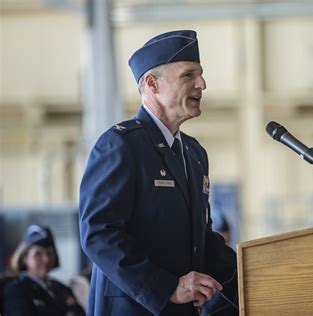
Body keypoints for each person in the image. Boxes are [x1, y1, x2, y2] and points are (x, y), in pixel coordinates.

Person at [79, 30, 238, 315]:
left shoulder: (194, 153)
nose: (201, 84)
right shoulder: (121, 145)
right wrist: (166, 288)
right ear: (152, 84)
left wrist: (256, 277)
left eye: (200, 74)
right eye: (188, 75)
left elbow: (202, 238)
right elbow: (99, 233)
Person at [2, 225, 84, 316]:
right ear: (24, 257)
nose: (46, 259)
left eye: (49, 253)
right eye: (38, 254)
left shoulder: (63, 289)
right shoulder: (16, 290)